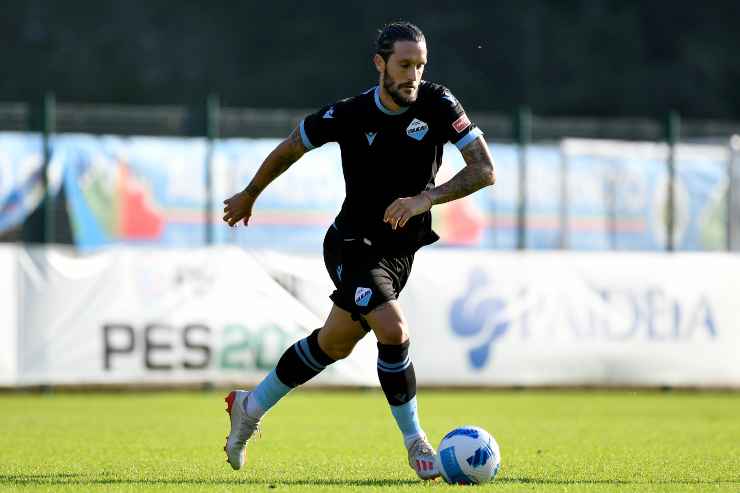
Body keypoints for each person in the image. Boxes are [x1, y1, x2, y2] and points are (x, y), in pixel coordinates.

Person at [221, 21, 495, 480]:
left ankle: (248, 406)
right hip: (351, 244)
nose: (414, 75)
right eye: (405, 65)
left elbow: (484, 169)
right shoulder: (348, 114)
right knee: (392, 328)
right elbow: (292, 147)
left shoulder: (439, 102)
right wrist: (250, 193)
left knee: (333, 344)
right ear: (380, 64)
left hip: (400, 252)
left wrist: (426, 198)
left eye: (421, 66)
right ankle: (415, 442)